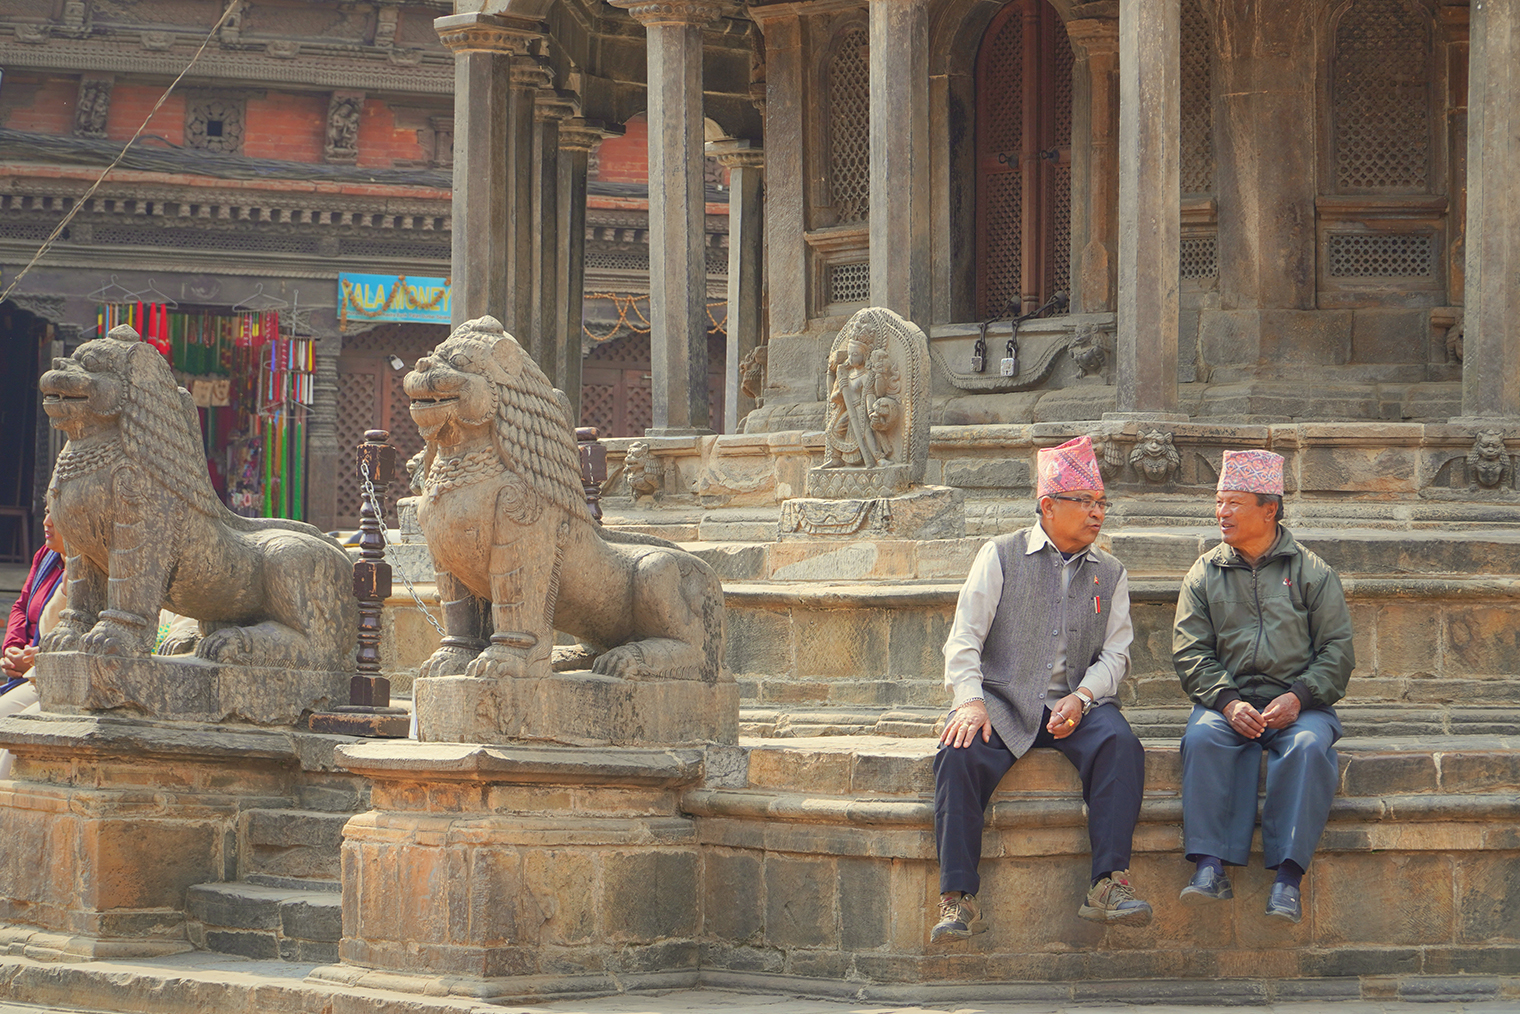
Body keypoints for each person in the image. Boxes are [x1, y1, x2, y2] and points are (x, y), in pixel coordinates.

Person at [931, 435, 1151, 943]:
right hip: (1004, 702)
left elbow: (1116, 655)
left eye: (1102, 503)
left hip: (1079, 704)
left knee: (1121, 745)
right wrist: (970, 702)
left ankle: (1109, 884)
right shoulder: (1000, 555)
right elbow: (964, 638)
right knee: (957, 754)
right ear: (1048, 506)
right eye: (1086, 502)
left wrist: (1083, 697)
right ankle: (958, 898)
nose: (1097, 514)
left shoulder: (1111, 573)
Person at [1172, 449, 1354, 924]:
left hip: (1300, 705)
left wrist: (1298, 697)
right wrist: (1227, 702)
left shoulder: (1313, 572)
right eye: (1219, 502)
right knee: (1202, 738)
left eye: (1233, 502)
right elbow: (1190, 652)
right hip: (1226, 704)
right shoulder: (1204, 573)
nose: (1222, 512)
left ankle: (1287, 880)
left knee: (1309, 747)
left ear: (1269, 509)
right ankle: (1209, 868)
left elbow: (1337, 651)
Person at [3, 511, 66, 684]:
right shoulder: (45, 555)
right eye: (46, 512)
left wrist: (38, 658)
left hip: (54, 672)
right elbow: (21, 607)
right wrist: (12, 648)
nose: (46, 522)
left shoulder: (87, 569)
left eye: (57, 512)